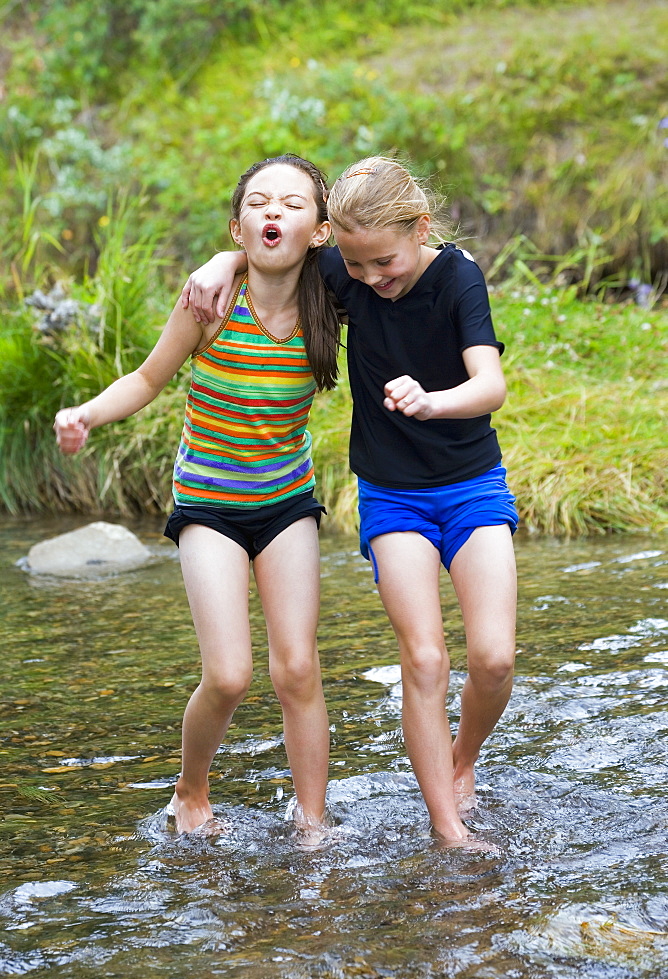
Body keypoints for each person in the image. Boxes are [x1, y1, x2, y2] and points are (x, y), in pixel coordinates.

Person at [181, 155, 518, 846]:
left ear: (421, 229)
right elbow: (276, 247)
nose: (370, 281)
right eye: (357, 268)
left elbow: (490, 385)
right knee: (424, 658)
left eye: (384, 264)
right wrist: (224, 261)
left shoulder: (457, 278)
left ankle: (465, 759)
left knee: (494, 659)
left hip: (472, 484)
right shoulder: (341, 267)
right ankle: (449, 829)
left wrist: (433, 401)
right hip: (392, 495)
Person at [54, 154, 341, 837]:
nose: (274, 212)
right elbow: (149, 378)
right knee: (231, 677)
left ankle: (313, 824)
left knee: (298, 668)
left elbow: (396, 258)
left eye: (293, 203)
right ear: (238, 226)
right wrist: (88, 414)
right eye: (259, 203)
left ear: (321, 231)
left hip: (286, 501)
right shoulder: (210, 302)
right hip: (209, 504)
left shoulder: (334, 298)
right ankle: (190, 788)